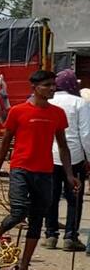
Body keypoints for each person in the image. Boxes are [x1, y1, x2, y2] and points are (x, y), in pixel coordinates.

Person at [0, 70, 80, 270]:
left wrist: (70, 174)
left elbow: (63, 147)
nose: (52, 88)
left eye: (53, 85)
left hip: (45, 173)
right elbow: (5, 144)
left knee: (37, 220)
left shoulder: (57, 114)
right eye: (47, 85)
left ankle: (23, 268)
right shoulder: (18, 112)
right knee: (18, 212)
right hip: (20, 170)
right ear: (35, 88)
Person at [42, 69, 90, 251]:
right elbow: (86, 134)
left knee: (51, 197)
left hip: (50, 156)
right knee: (74, 198)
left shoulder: (48, 101)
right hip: (75, 157)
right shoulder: (80, 103)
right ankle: (70, 237)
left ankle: (50, 235)